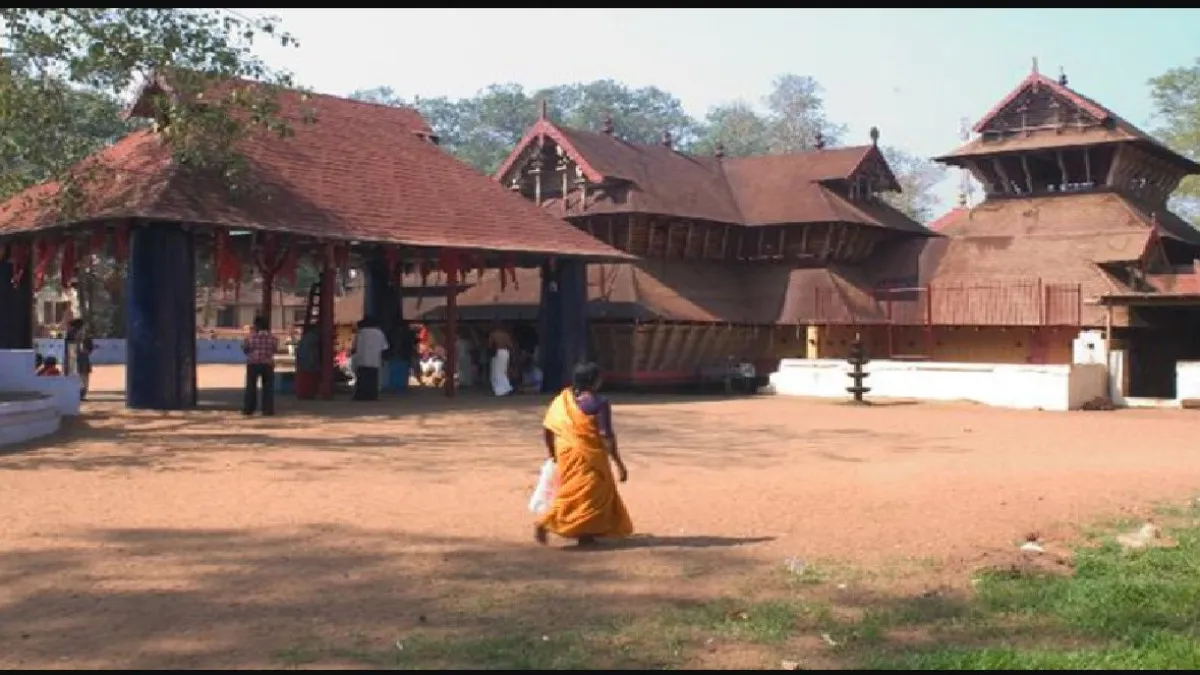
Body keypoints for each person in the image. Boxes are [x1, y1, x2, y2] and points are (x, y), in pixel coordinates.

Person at [535, 361, 632, 547]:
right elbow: (606, 435)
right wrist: (619, 463)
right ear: (594, 381)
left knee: (573, 491)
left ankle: (585, 534)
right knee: (590, 492)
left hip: (566, 451)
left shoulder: (562, 401)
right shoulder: (599, 402)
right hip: (589, 455)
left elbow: (547, 428)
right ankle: (547, 522)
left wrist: (553, 453)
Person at [241, 315, 278, 416]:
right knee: (268, 388)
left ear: (256, 326)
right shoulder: (273, 338)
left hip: (253, 363)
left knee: (251, 387)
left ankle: (249, 409)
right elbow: (274, 350)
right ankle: (267, 410)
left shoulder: (250, 338)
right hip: (267, 364)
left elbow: (245, 349)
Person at [351, 316, 388, 401]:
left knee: (362, 379)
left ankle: (360, 395)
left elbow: (354, 348)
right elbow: (384, 347)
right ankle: (372, 396)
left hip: (361, 360)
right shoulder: (379, 333)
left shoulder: (360, 333)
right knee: (373, 379)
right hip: (374, 360)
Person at [294, 325, 320, 400]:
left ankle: (304, 394)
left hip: (303, 361)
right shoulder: (313, 338)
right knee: (309, 379)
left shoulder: (305, 338)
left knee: (304, 379)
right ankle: (308, 394)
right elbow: (312, 352)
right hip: (309, 362)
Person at [490, 329, 514, 397]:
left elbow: (490, 345)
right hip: (506, 352)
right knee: (503, 371)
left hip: (498, 352)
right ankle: (506, 388)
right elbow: (510, 345)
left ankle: (500, 390)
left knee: (497, 372)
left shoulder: (493, 334)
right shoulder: (506, 335)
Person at [77, 336, 94, 400]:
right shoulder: (80, 350)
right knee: (83, 382)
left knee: (84, 382)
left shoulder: (83, 352)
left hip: (83, 367)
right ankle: (81, 395)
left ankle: (82, 395)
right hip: (82, 367)